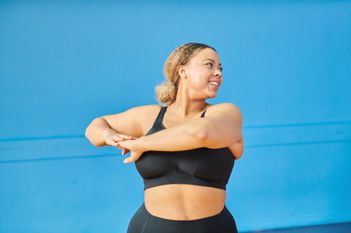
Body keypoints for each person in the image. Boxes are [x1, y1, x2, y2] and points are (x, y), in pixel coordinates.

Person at [85, 42, 244, 233]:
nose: (218, 73)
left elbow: (201, 133)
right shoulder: (149, 116)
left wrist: (141, 143)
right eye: (209, 65)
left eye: (220, 68)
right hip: (150, 226)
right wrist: (108, 134)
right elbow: (95, 127)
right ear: (182, 70)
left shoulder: (226, 113)